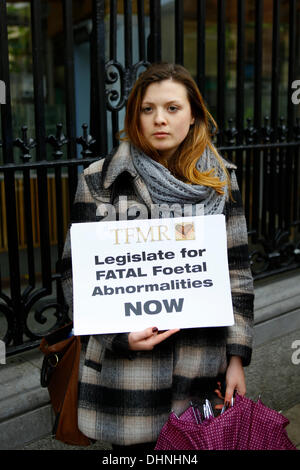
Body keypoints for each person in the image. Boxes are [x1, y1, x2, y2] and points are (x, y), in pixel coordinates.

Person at [61, 63, 254, 451]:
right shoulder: (99, 180)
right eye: (147, 109)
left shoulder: (220, 180)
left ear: (194, 114)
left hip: (202, 362)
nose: (159, 119)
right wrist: (119, 337)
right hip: (128, 372)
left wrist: (237, 358)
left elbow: (237, 274)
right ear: (135, 116)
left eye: (172, 108)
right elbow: (75, 277)